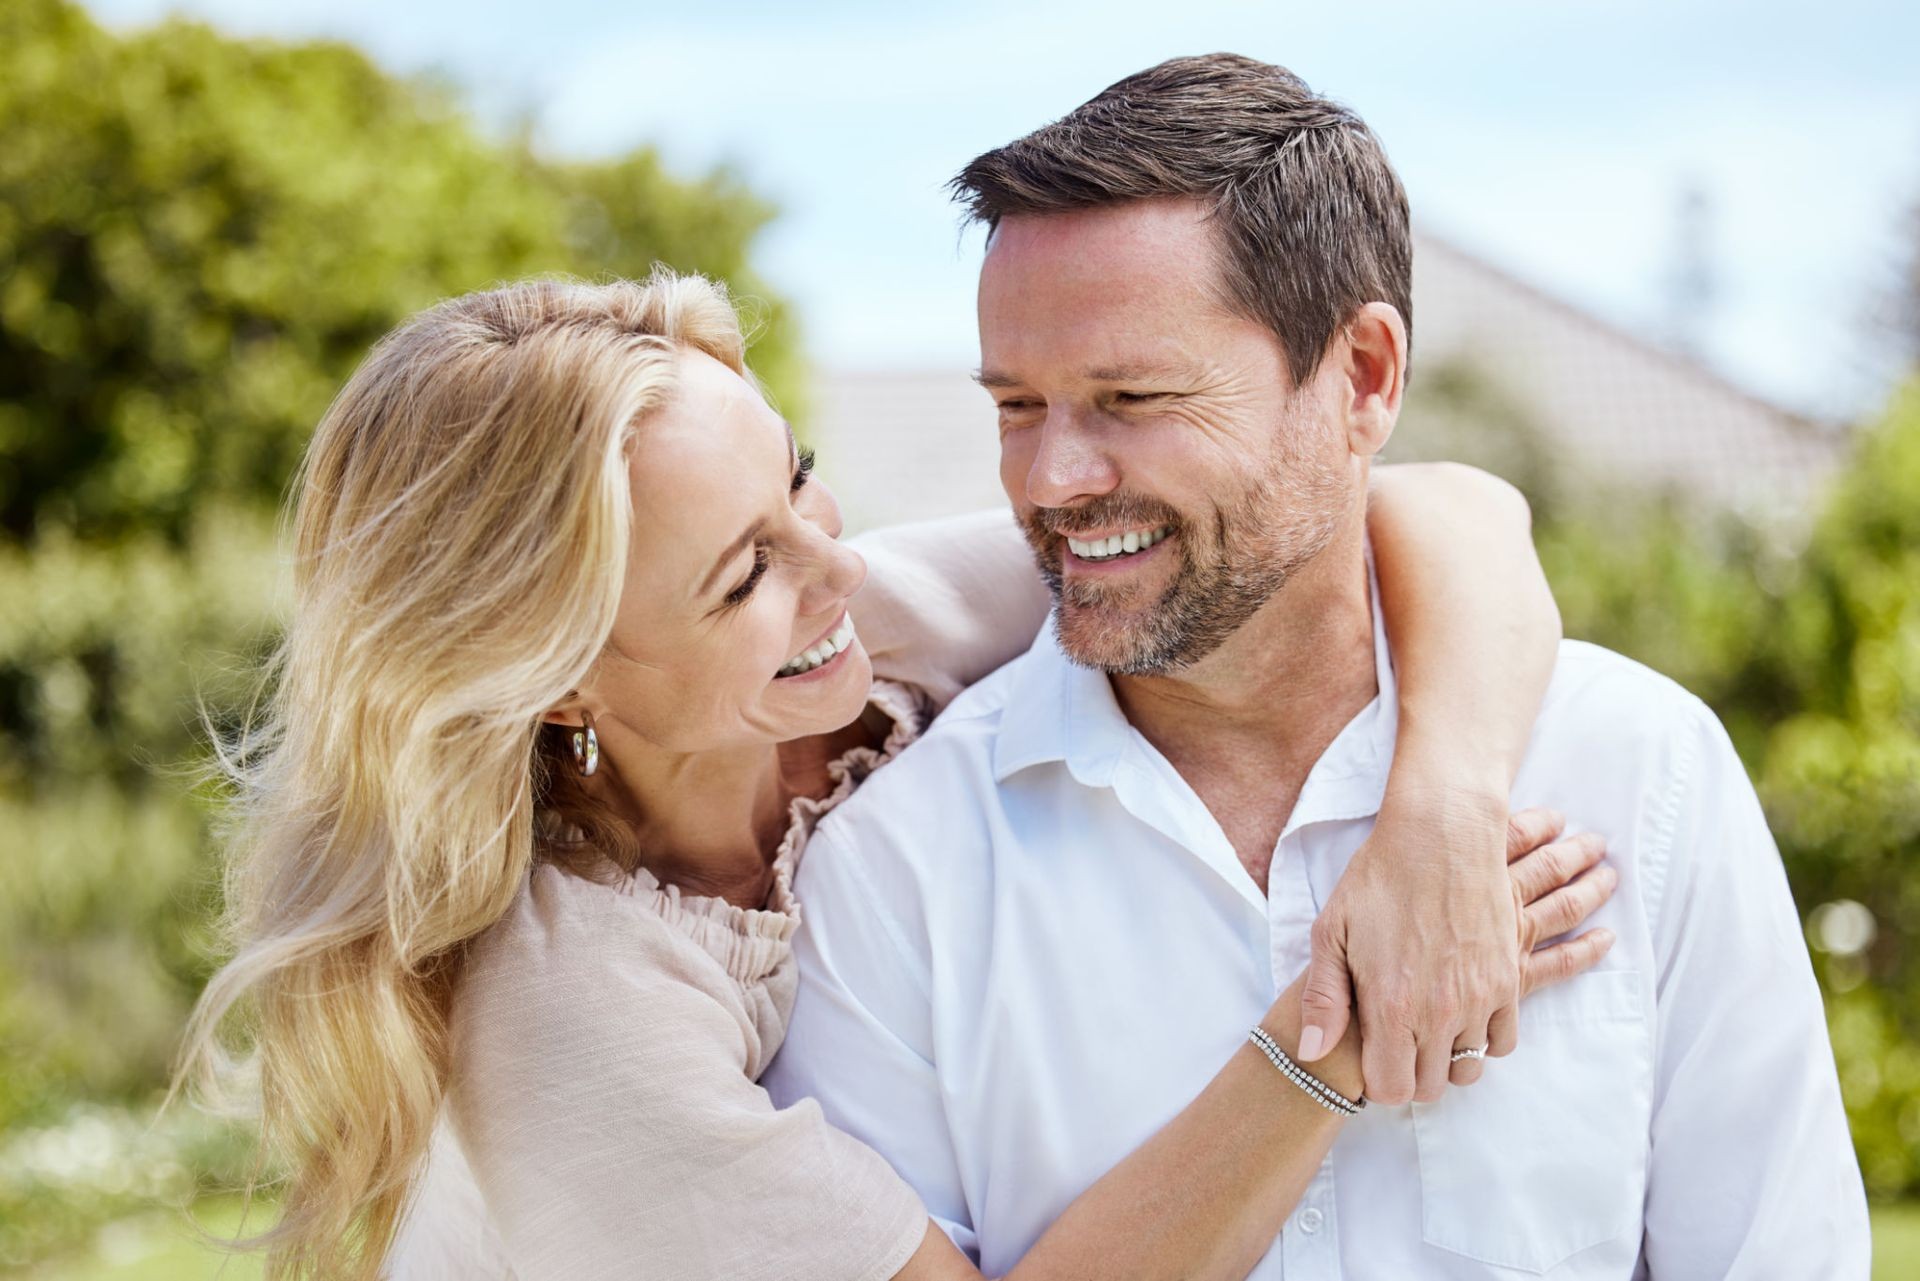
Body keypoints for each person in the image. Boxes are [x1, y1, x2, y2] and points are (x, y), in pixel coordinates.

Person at [179, 267, 1609, 1281]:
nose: (839, 565)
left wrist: (1439, 812)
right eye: (746, 573)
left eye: (795, 479)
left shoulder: (861, 630)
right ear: (557, 681)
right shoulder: (576, 1036)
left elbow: (1423, 507)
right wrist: (1337, 1033)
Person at [763, 53, 1871, 1279]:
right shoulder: (892, 879)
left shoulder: (1639, 773)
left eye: (1132, 396)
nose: (1051, 479)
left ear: (1365, 378)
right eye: (1017, 406)